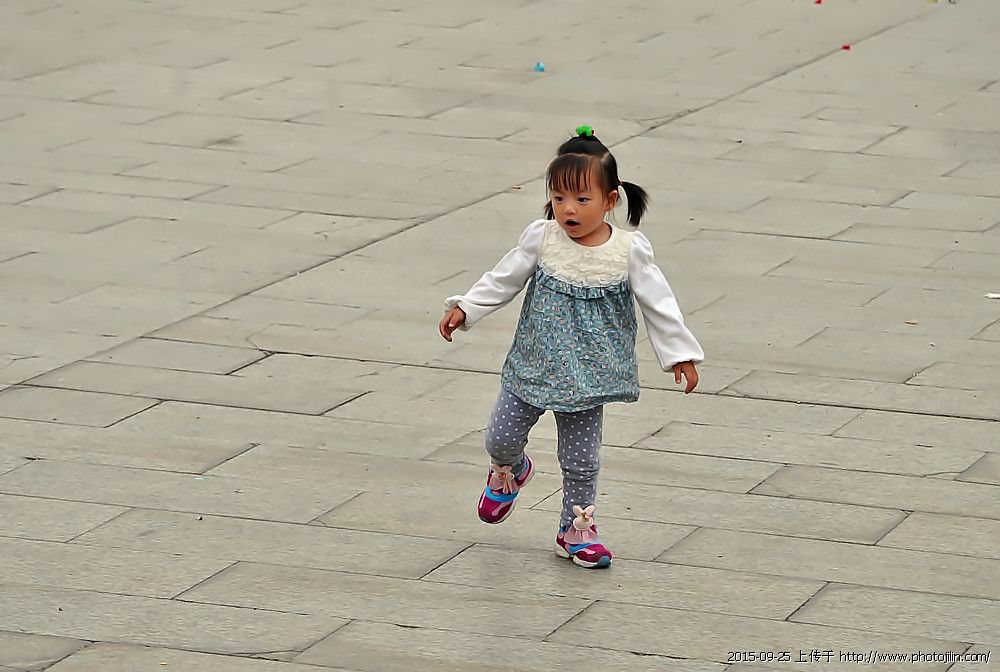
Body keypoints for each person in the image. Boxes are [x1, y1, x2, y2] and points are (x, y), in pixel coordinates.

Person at [438, 125, 704, 568]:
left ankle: (576, 530)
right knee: (500, 436)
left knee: (580, 460)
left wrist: (679, 353)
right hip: (534, 364)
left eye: (582, 199)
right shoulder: (542, 238)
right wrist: (466, 307)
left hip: (589, 376)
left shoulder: (628, 251)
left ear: (610, 199)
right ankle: (509, 470)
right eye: (559, 197)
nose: (568, 209)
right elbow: (504, 278)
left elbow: (659, 303)